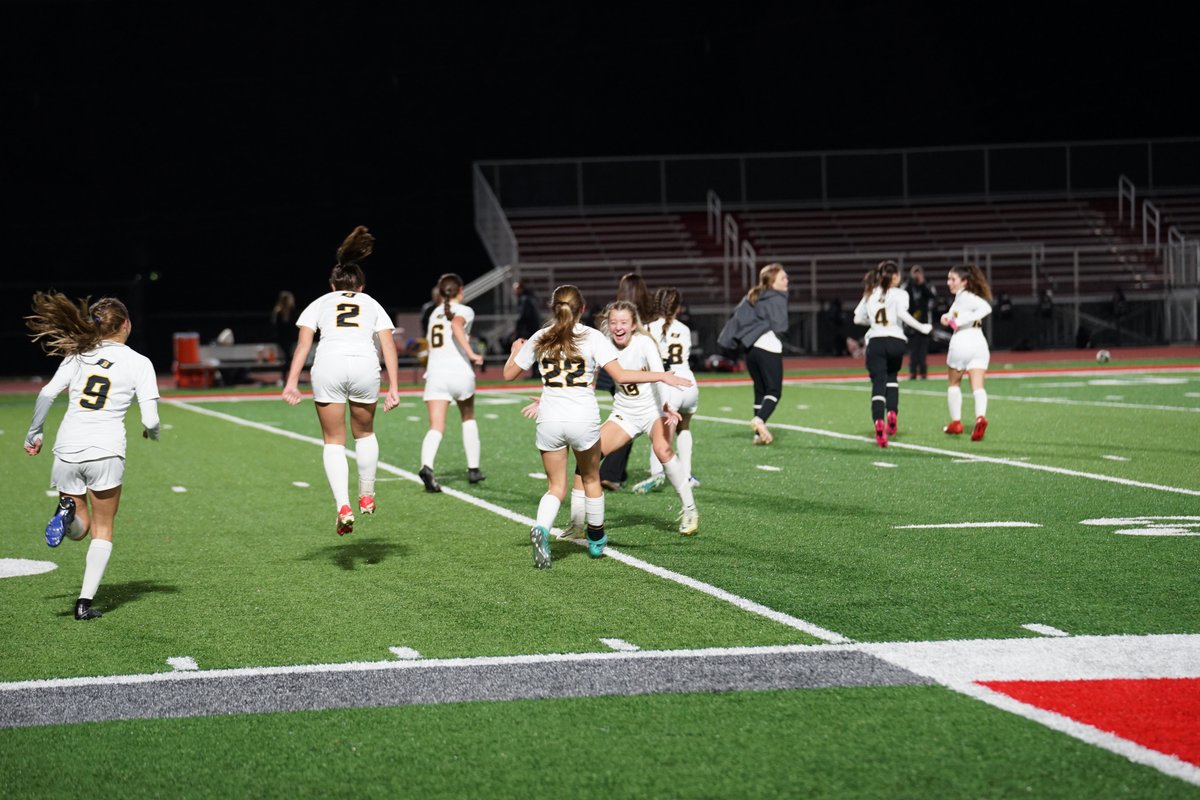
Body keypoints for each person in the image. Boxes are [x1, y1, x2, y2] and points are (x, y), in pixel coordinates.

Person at [503, 285, 692, 569]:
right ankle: (595, 539)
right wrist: (663, 376)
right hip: (583, 419)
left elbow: (508, 375)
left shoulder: (540, 336)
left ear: (553, 308)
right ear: (582, 309)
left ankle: (542, 529)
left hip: (550, 419)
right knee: (591, 479)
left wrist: (515, 350)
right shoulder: (592, 336)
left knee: (556, 487)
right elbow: (620, 374)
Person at [23, 293, 160, 621]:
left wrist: (34, 433)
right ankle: (84, 603)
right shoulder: (139, 362)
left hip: (67, 449)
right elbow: (151, 420)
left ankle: (67, 511)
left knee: (79, 529)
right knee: (101, 528)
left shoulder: (77, 355)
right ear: (126, 324)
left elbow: (46, 393)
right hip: (106, 451)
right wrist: (151, 433)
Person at [282, 226, 401, 535]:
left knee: (334, 441)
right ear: (361, 287)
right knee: (364, 434)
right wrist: (394, 388)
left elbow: (304, 345)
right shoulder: (372, 303)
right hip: (364, 365)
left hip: (329, 365)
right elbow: (388, 345)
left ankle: (343, 505)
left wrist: (292, 382)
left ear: (332, 284)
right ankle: (367, 494)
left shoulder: (320, 303)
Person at [552, 300, 699, 537]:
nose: (618, 327)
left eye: (623, 322)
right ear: (607, 325)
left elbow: (659, 376)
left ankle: (690, 509)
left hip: (653, 409)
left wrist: (667, 406)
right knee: (586, 458)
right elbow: (583, 376)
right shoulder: (603, 343)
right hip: (625, 413)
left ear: (633, 325)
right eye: (613, 322)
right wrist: (553, 396)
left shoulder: (644, 343)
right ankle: (578, 524)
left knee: (663, 450)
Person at [418, 272, 486, 493]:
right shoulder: (465, 310)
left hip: (436, 375)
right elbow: (457, 327)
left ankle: (427, 466)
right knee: (468, 417)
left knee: (436, 426)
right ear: (460, 290)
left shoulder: (434, 313)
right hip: (459, 373)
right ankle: (473, 469)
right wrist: (472, 354)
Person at [854, 261, 933, 448]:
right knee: (892, 378)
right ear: (895, 276)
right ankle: (892, 413)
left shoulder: (870, 293)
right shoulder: (901, 293)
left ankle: (878, 422)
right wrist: (922, 327)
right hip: (896, 340)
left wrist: (873, 323)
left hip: (876, 341)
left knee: (878, 383)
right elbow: (901, 314)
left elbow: (857, 318)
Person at [632, 287, 700, 492]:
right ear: (678, 308)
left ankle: (657, 473)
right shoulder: (685, 329)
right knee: (685, 428)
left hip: (668, 384)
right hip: (688, 382)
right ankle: (687, 475)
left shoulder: (647, 328)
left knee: (660, 433)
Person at [717, 263, 790, 445]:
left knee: (759, 390)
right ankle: (760, 420)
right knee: (774, 391)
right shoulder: (777, 297)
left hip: (750, 349)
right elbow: (781, 326)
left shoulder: (752, 295)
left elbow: (736, 320)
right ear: (772, 282)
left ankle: (758, 435)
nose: (787, 280)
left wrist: (730, 343)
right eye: (783, 278)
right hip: (768, 346)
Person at [598, 273, 657, 490]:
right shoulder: (644, 314)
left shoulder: (616, 311)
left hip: (615, 374)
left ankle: (613, 472)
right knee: (632, 423)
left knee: (627, 422)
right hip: (639, 376)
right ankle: (610, 473)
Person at [940, 264, 994, 441]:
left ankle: (956, 423)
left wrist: (960, 320)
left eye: (953, 279)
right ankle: (980, 417)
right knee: (978, 386)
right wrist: (947, 318)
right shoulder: (961, 298)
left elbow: (986, 308)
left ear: (964, 281)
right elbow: (952, 316)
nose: (949, 282)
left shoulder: (965, 296)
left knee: (954, 383)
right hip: (979, 342)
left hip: (963, 340)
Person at [900, 266, 936, 379]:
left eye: (918, 273)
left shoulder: (927, 285)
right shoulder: (906, 286)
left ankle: (923, 372)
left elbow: (933, 297)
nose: (916, 276)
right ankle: (912, 373)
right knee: (913, 351)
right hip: (911, 325)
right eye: (914, 273)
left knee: (923, 351)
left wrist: (923, 284)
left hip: (924, 323)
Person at [271, 290, 298, 366]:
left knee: (288, 356)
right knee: (287, 356)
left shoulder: (292, 311)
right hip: (281, 338)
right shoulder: (278, 311)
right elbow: (275, 325)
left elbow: (294, 325)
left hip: (290, 337)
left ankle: (287, 374)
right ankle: (287, 374)